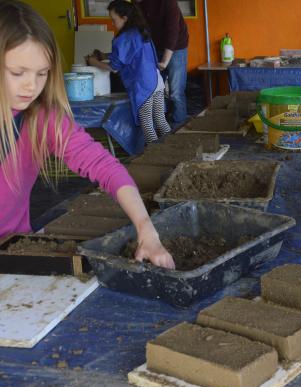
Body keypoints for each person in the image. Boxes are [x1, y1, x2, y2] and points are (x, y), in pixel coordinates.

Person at [0, 0, 174, 269]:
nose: (31, 86)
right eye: (17, 73)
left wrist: (146, 229)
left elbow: (105, 167)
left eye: (42, 74)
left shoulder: (42, 118)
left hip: (15, 251)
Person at [88, 0, 171, 144]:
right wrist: (105, 56)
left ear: (124, 18)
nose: (112, 24)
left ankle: (156, 153)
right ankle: (174, 148)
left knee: (147, 124)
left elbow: (114, 67)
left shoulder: (124, 38)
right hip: (156, 82)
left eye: (114, 20)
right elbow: (130, 55)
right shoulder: (139, 31)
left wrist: (93, 62)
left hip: (144, 86)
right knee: (160, 120)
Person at [134, 0, 188, 127]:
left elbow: (173, 31)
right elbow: (137, 28)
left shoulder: (168, 2)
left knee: (176, 92)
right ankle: (161, 128)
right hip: (154, 46)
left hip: (176, 46)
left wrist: (164, 61)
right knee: (154, 90)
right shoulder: (136, 4)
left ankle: (179, 128)